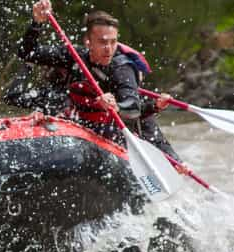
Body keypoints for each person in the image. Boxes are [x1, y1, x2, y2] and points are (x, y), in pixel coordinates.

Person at [17, 0, 183, 165]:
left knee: (176, 166)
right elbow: (28, 53)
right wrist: (37, 23)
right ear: (88, 42)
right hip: (93, 127)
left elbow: (133, 107)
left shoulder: (122, 67)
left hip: (134, 128)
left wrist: (117, 107)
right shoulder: (74, 56)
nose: (109, 49)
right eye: (103, 42)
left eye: (113, 42)